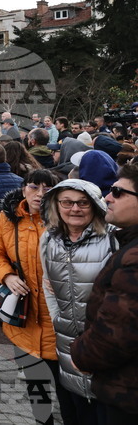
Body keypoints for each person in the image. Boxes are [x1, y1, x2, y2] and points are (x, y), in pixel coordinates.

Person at [0, 169, 63, 425]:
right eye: (34, 187)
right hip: (26, 316)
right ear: (23, 189)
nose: (40, 194)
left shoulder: (65, 217)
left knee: (68, 388)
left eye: (47, 188)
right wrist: (6, 275)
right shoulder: (9, 218)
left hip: (58, 319)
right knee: (36, 385)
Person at [39, 179, 115, 425]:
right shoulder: (49, 239)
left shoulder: (112, 238)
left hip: (105, 344)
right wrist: (57, 319)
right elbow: (47, 284)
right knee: (76, 410)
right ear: (56, 205)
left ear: (95, 205)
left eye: (83, 203)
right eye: (67, 202)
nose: (75, 209)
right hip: (67, 343)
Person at [71, 163, 138, 424]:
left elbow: (118, 333)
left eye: (118, 192)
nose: (108, 197)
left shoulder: (134, 259)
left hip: (127, 393)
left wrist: (80, 354)